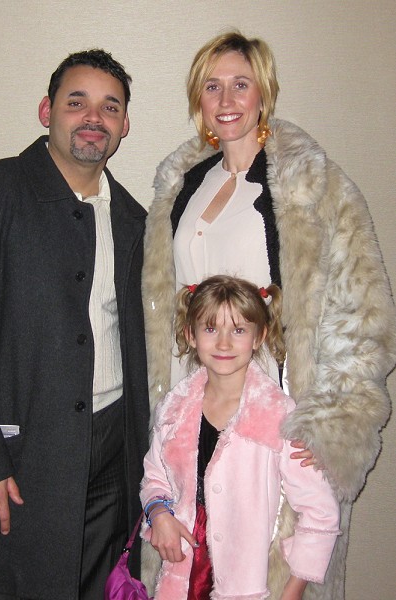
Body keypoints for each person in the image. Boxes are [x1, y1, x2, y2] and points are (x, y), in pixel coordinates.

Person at [141, 30, 396, 598]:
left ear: (264, 92)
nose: (227, 100)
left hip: (269, 422)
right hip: (193, 405)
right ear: (198, 98)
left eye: (241, 84)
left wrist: (333, 426)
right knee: (188, 571)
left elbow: (365, 317)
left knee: (260, 577)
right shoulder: (182, 187)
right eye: (212, 86)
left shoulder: (315, 189)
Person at [0, 49, 149, 600]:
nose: (94, 118)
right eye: (77, 102)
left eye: (110, 107)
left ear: (124, 126)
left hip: (113, 454)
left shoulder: (135, 221)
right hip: (15, 460)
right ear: (47, 111)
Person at [140, 275, 340, 599]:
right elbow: (154, 477)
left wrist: (293, 589)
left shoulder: (279, 417)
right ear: (191, 335)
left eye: (238, 330)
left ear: (259, 336)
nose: (223, 344)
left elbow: (321, 512)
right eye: (210, 329)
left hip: (247, 581)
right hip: (182, 574)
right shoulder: (173, 409)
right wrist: (159, 513)